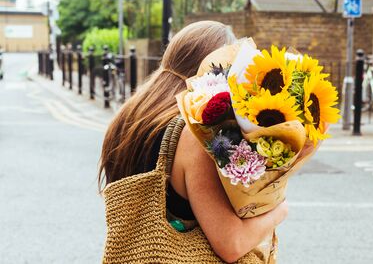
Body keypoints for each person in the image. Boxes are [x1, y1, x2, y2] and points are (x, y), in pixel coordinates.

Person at [98, 21, 288, 263]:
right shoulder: (191, 133)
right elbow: (231, 243)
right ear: (217, 70)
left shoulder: (128, 117)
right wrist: (279, 209)